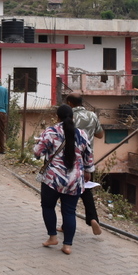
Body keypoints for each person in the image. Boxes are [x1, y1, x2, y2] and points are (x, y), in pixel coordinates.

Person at [33, 104, 94, 255]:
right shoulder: (82, 134)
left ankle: (53, 237)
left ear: (57, 117)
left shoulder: (50, 132)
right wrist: (88, 171)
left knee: (48, 207)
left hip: (52, 179)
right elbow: (89, 157)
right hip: (75, 180)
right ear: (72, 117)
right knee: (69, 211)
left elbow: (37, 152)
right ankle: (67, 246)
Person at [65, 93, 105, 235]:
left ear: (69, 103)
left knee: (69, 191)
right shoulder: (92, 116)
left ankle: (66, 225)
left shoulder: (69, 116)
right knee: (86, 189)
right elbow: (100, 135)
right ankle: (93, 218)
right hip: (87, 159)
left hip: (71, 157)